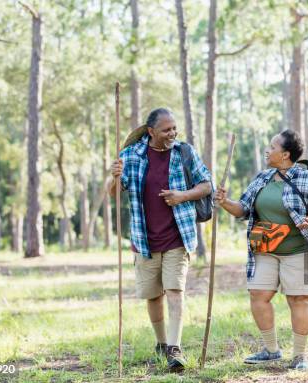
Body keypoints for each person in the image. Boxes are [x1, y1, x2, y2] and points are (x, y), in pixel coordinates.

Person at [214, 129, 308, 371]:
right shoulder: (263, 178)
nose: (268, 150)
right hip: (265, 249)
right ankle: (271, 350)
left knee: (298, 299)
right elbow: (243, 209)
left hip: (299, 250)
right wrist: (225, 202)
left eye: (273, 147)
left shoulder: (307, 178)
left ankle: (300, 356)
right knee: (258, 295)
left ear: (286, 154)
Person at [108, 108, 212, 372]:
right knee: (153, 296)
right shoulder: (131, 155)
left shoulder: (183, 152)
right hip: (144, 240)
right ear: (151, 131)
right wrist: (114, 176)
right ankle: (162, 343)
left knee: (175, 291)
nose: (172, 134)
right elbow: (114, 193)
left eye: (174, 128)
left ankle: (175, 348)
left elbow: (207, 184)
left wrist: (182, 195)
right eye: (166, 130)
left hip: (178, 236)